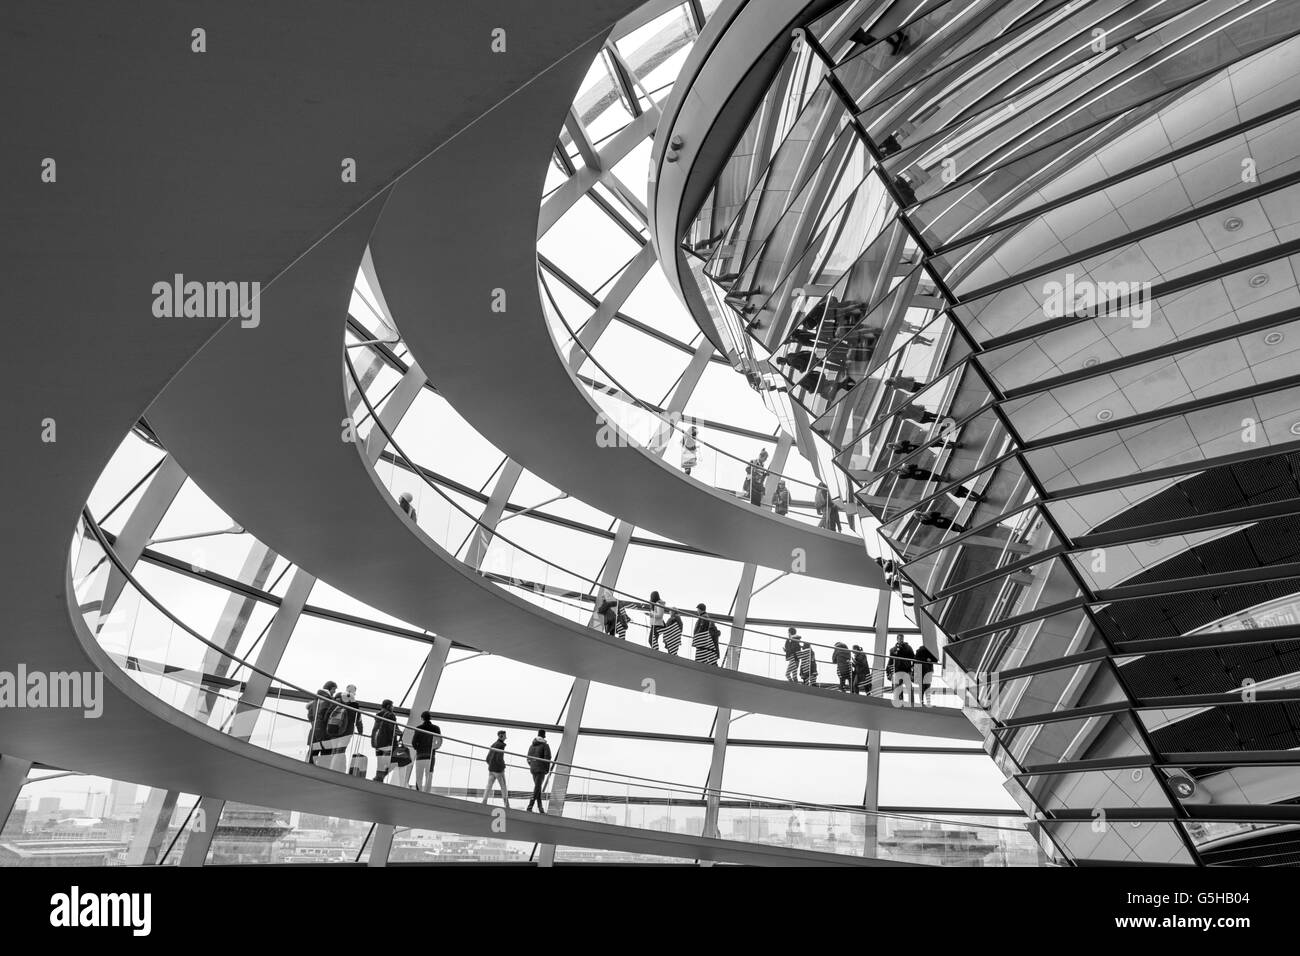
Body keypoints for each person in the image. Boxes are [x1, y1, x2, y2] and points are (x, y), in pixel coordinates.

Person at [323, 684, 363, 772]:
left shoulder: (338, 699)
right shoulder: (354, 704)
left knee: (334, 750)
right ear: (354, 692)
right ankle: (334, 770)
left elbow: (328, 714)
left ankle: (334, 769)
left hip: (334, 728)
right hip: (346, 731)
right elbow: (358, 719)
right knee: (340, 751)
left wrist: (328, 724)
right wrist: (360, 731)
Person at [306, 680, 338, 764]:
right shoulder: (328, 700)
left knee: (312, 756)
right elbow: (326, 715)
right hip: (324, 732)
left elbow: (310, 716)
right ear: (330, 688)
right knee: (325, 756)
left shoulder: (315, 700)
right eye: (334, 689)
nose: (334, 692)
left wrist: (315, 724)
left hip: (314, 731)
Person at [411, 711, 442, 792]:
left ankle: (418, 792)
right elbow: (439, 742)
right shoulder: (436, 728)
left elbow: (414, 743)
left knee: (419, 775)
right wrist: (432, 748)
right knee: (429, 774)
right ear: (430, 718)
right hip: (431, 756)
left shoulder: (418, 728)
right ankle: (427, 792)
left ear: (422, 718)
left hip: (420, 755)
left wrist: (418, 748)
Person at [482, 730, 511, 808]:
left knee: (489, 786)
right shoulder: (501, 745)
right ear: (501, 736)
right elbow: (499, 759)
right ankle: (507, 805)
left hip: (491, 769)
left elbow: (487, 758)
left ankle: (484, 801)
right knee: (503, 787)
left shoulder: (493, 744)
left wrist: (492, 765)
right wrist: (502, 767)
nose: (506, 737)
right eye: (505, 735)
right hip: (498, 770)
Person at [371, 698, 398, 781]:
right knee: (394, 762)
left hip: (377, 741)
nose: (393, 708)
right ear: (388, 706)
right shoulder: (390, 715)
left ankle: (378, 778)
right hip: (387, 742)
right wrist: (400, 734)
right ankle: (380, 777)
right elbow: (393, 729)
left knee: (380, 762)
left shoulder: (378, 715)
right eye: (392, 706)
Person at [526, 730, 552, 813]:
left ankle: (540, 808)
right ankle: (530, 806)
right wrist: (546, 770)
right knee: (537, 788)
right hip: (541, 769)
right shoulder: (545, 745)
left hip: (533, 769)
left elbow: (528, 759)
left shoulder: (531, 745)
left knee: (538, 788)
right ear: (544, 736)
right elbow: (547, 758)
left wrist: (532, 766)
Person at [886, 635, 916, 706]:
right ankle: (900, 703)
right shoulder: (893, 650)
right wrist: (888, 673)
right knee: (898, 688)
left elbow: (913, 659)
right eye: (899, 638)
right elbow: (890, 662)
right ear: (897, 639)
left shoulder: (908, 648)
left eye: (902, 638)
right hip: (897, 671)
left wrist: (912, 669)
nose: (901, 640)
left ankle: (911, 704)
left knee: (909, 688)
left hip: (906, 671)